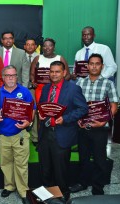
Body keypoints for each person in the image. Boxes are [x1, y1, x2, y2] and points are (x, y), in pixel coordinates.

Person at [38, 61, 88, 201]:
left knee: (61, 169)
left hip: (62, 133)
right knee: (45, 168)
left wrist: (65, 119)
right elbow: (42, 105)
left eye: (57, 71)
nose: (54, 74)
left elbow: (83, 109)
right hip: (45, 133)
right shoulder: (47, 88)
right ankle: (47, 195)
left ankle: (63, 195)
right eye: (52, 71)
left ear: (64, 72)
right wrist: (40, 114)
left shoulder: (73, 89)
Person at [69, 54, 119, 195]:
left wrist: (104, 121)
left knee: (100, 160)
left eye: (97, 63)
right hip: (82, 127)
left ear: (102, 66)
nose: (94, 66)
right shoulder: (80, 82)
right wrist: (77, 119)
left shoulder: (109, 83)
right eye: (92, 63)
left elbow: (114, 106)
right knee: (83, 157)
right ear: (87, 66)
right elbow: (74, 104)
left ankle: (98, 188)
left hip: (100, 128)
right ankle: (82, 183)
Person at [0, 65, 35, 204]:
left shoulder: (24, 91)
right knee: (5, 163)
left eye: (13, 75)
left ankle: (24, 191)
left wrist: (28, 122)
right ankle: (9, 186)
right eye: (7, 75)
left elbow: (32, 109)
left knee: (21, 164)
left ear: (17, 77)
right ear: (3, 77)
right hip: (3, 134)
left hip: (20, 134)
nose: (10, 78)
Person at [30, 38, 71, 103]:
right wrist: (33, 81)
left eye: (50, 45)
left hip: (57, 88)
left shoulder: (60, 58)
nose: (47, 48)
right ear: (42, 48)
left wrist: (59, 84)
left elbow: (68, 75)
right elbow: (32, 74)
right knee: (41, 107)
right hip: (41, 88)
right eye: (45, 46)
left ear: (54, 48)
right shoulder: (37, 58)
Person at [24, 38, 39, 145]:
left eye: (32, 44)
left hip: (34, 89)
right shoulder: (20, 56)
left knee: (34, 112)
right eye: (27, 44)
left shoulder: (40, 58)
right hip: (22, 89)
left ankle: (35, 137)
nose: (30, 46)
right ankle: (23, 133)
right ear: (24, 46)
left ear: (36, 47)